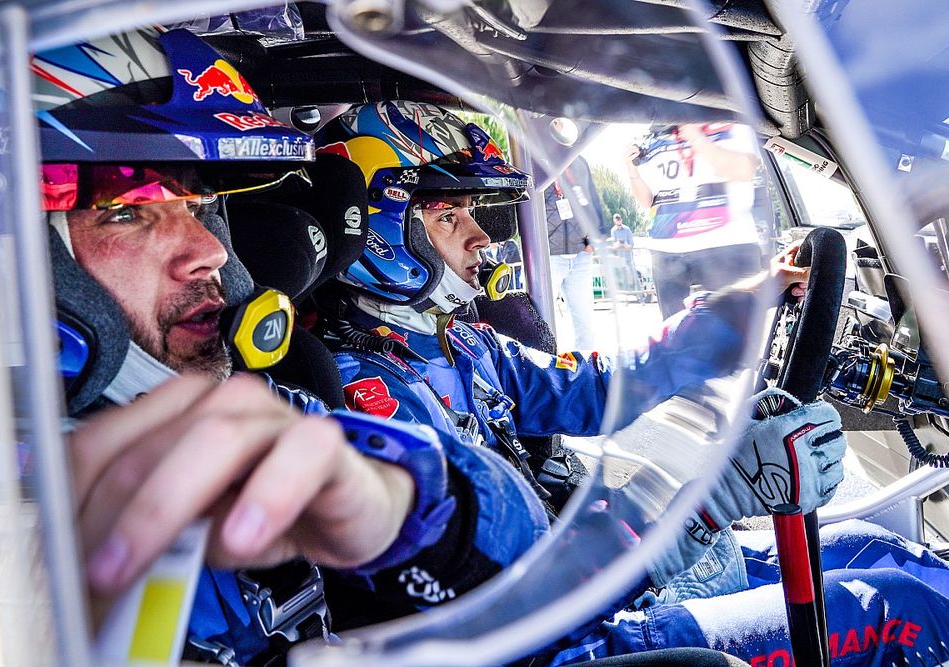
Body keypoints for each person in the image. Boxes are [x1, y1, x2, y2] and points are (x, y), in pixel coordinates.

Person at [313, 102, 949, 665]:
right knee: (891, 609)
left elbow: (601, 391)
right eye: (447, 217)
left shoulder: (459, 342)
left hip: (600, 577)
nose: (481, 237)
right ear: (377, 229)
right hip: (566, 637)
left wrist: (742, 310)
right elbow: (508, 604)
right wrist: (709, 503)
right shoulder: (361, 402)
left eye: (473, 213)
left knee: (875, 550)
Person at [38, 28, 551, 665]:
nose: (213, 253)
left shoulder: (241, 412)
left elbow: (521, 561)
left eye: (202, 205)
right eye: (127, 209)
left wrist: (406, 512)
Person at [625, 123, 765, 319]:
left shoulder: (728, 119)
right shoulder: (652, 135)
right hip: (667, 248)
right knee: (674, 335)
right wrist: (633, 172)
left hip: (726, 243)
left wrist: (696, 138)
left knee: (737, 333)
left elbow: (743, 170)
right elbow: (648, 201)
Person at [544, 155, 608, 349]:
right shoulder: (531, 156)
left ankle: (586, 367)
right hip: (548, 256)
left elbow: (591, 198)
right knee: (541, 318)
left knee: (585, 321)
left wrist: (595, 237)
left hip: (581, 254)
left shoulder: (578, 159)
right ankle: (543, 367)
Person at [607, 213, 637, 291]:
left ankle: (640, 295)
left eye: (619, 220)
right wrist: (619, 244)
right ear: (614, 221)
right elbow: (614, 245)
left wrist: (626, 246)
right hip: (620, 258)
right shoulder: (613, 230)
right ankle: (627, 297)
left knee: (635, 276)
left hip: (629, 257)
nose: (618, 223)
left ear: (621, 220)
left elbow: (632, 244)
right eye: (617, 221)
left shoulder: (627, 229)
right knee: (624, 278)